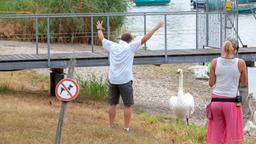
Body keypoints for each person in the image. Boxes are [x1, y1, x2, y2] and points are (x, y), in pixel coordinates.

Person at [96, 20, 163, 132]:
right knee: (127, 105)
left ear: (121, 39)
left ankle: (111, 125)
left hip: (113, 80)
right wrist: (156, 27)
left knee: (112, 103)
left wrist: (99, 28)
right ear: (129, 40)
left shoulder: (112, 46)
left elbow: (101, 38)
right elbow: (145, 38)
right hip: (125, 81)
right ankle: (126, 128)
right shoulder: (130, 47)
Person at [207, 39, 247, 144]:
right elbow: (244, 83)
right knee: (233, 136)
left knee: (216, 134)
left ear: (224, 48)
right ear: (235, 50)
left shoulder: (215, 62)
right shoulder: (240, 63)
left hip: (216, 101)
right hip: (232, 102)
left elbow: (211, 83)